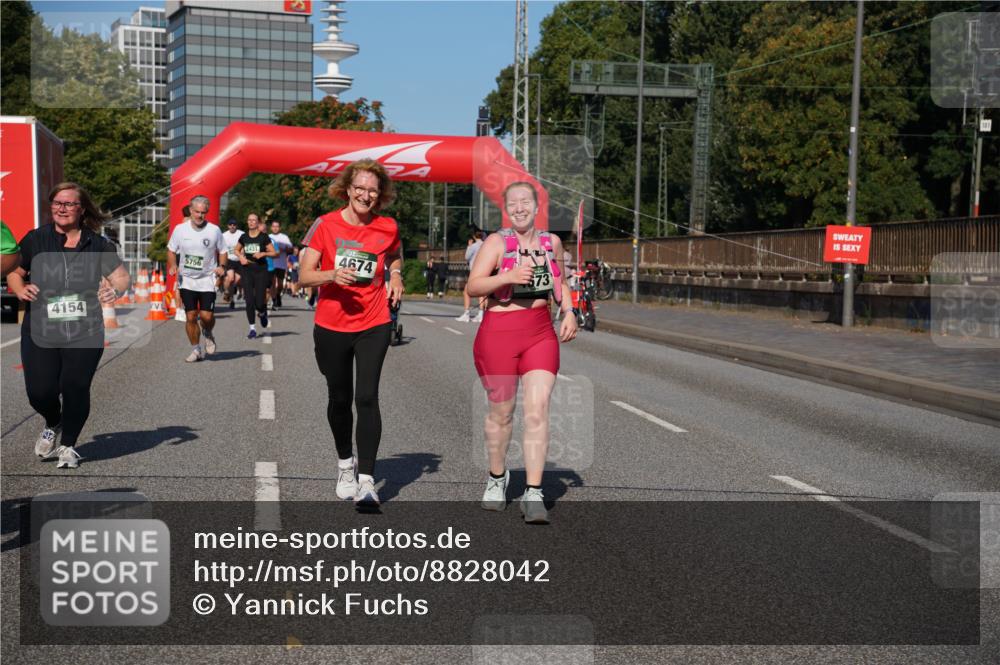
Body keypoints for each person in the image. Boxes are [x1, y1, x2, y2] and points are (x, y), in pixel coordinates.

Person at [466, 181, 577, 524]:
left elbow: (560, 280)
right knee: (502, 413)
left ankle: (533, 491)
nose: (519, 208)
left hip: (539, 333)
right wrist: (508, 276)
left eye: (525, 202)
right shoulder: (496, 243)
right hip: (499, 333)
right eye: (512, 203)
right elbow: (473, 285)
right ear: (506, 209)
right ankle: (498, 478)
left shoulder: (551, 242)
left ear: (536, 205)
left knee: (537, 409)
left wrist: (569, 309)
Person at [299, 158, 403, 508]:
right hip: (331, 324)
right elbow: (304, 275)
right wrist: (331, 275)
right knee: (339, 398)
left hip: (374, 321)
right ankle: (346, 464)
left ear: (380, 195)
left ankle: (367, 481)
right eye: (360, 188)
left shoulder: (387, 227)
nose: (366, 195)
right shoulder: (325, 226)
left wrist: (397, 275)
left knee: (367, 397)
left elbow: (394, 255)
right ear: (347, 188)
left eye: (373, 190)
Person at [7, 182, 130, 469]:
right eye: (57, 203)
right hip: (40, 328)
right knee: (40, 391)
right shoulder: (36, 239)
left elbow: (121, 276)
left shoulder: (97, 243)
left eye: (69, 204)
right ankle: (54, 421)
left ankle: (69, 445)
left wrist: (116, 290)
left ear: (81, 209)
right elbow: (15, 270)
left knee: (75, 385)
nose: (61, 208)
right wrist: (19, 288)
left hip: (84, 329)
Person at [167, 195, 228, 362]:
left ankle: (208, 332)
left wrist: (222, 267)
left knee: (207, 316)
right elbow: (171, 250)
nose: (200, 216)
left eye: (203, 212)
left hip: (207, 279)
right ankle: (196, 349)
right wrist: (173, 265)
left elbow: (223, 251)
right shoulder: (180, 230)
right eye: (197, 212)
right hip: (187, 279)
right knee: (191, 316)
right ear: (191, 210)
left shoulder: (214, 230)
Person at [236, 213, 277, 338]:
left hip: (260, 270)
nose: (251, 222)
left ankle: (263, 312)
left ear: (258, 222)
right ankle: (252, 329)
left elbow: (274, 253)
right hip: (247, 269)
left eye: (254, 220)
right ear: (247, 222)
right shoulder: (243, 237)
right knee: (249, 300)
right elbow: (236, 250)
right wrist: (241, 257)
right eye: (249, 220)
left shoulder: (263, 237)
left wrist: (263, 254)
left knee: (259, 302)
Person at [456, 231, 485, 322]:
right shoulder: (486, 245)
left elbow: (467, 257)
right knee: (482, 293)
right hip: (485, 271)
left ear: (473, 236)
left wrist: (469, 246)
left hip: (474, 271)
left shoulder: (473, 246)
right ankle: (481, 314)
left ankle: (466, 314)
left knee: (466, 292)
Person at [269, 220, 293, 310]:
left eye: (277, 226)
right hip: (271, 263)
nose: (275, 228)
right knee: (272, 283)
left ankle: (278, 294)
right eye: (274, 226)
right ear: (271, 228)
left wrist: (285, 249)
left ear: (279, 228)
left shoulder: (284, 237)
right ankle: (274, 300)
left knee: (280, 285)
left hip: (281, 264)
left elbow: (291, 250)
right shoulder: (268, 237)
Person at [221, 218, 243, 309]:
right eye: (230, 225)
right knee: (230, 278)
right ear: (228, 226)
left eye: (234, 225)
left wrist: (243, 255)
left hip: (239, 260)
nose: (232, 226)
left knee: (237, 280)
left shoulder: (241, 234)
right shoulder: (224, 235)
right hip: (229, 259)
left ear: (236, 226)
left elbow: (245, 245)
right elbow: (221, 249)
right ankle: (227, 292)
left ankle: (232, 298)